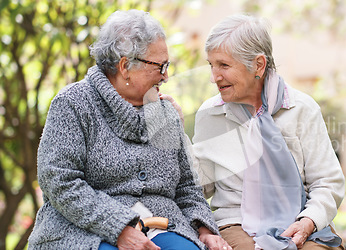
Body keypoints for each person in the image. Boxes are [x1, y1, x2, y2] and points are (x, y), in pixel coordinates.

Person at [28, 10, 231, 250]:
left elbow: (187, 186)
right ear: (125, 66)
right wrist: (118, 227)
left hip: (164, 225)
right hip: (86, 229)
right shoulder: (73, 104)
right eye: (160, 66)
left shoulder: (164, 113)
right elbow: (60, 181)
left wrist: (205, 230)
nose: (166, 76)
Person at [191, 14, 345, 250]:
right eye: (211, 65)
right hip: (235, 223)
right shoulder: (210, 115)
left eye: (224, 65)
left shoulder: (301, 109)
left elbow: (327, 182)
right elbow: (197, 187)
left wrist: (308, 221)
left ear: (258, 65)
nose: (214, 77)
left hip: (300, 219)